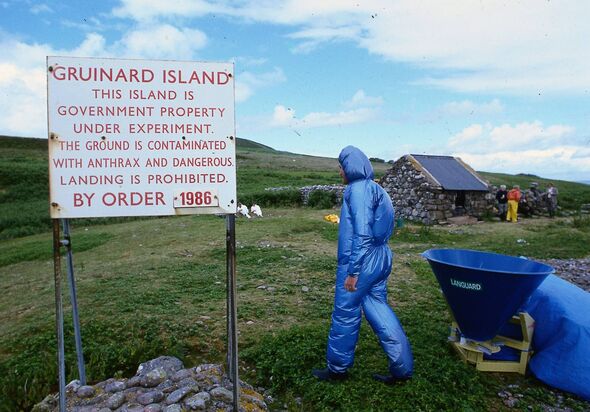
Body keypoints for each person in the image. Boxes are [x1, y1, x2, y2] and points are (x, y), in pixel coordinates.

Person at [312, 146, 413, 384]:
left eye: (341, 166)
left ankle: (337, 369)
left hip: (361, 261)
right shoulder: (376, 189)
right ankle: (402, 369)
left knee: (345, 313)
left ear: (351, 166)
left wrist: (353, 272)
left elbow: (362, 234)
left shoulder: (357, 190)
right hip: (380, 258)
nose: (339, 172)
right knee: (379, 310)